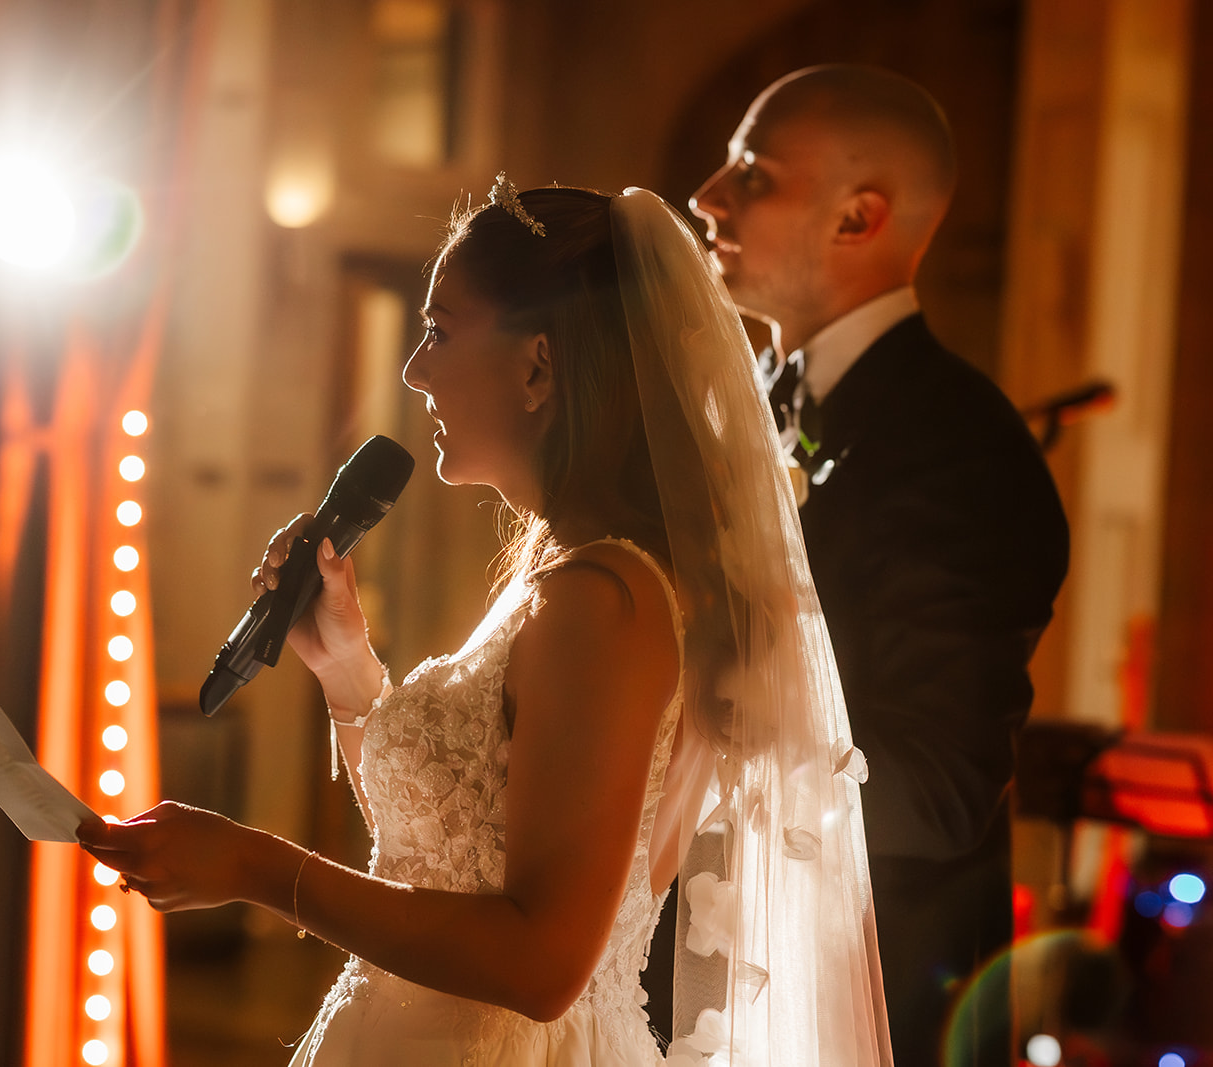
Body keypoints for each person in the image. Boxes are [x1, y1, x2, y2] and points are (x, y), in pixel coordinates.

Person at [81, 179, 890, 1065]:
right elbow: (445, 850)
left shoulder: (605, 602)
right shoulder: (569, 574)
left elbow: (544, 961)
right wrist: (347, 670)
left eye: (439, 331)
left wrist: (256, 869)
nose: (413, 369)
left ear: (539, 365)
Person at [688, 66, 1069, 1065]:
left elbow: (938, 790)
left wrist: (684, 750)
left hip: (868, 1001)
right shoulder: (752, 405)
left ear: (859, 216)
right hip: (719, 980)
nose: (707, 197)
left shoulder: (960, 447)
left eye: (751, 175)